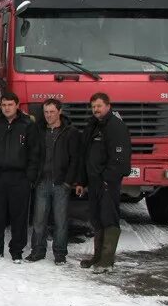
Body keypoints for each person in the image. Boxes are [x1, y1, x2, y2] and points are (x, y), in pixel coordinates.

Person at [0, 92, 40, 263]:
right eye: (4, 105)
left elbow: (34, 153)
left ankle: (17, 251)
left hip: (19, 178)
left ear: (17, 105)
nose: (7, 108)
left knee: (19, 216)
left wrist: (29, 177)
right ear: (0, 106)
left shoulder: (27, 125)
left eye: (10, 105)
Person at [75, 92, 131, 273]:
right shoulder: (93, 125)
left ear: (108, 106)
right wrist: (82, 181)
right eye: (93, 107)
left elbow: (119, 158)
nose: (96, 110)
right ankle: (98, 257)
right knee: (96, 218)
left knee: (109, 218)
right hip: (93, 182)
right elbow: (84, 156)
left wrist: (108, 179)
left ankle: (107, 261)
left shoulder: (116, 127)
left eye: (99, 106)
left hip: (107, 183)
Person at [26, 98, 80, 265]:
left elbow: (75, 159)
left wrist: (68, 182)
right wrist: (33, 177)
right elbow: (32, 155)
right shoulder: (39, 130)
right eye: (46, 112)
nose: (49, 115)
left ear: (60, 112)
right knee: (39, 220)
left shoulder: (70, 132)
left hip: (60, 183)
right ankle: (37, 251)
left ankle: (60, 254)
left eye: (52, 112)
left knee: (60, 221)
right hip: (42, 181)